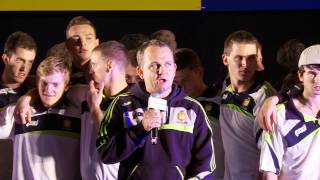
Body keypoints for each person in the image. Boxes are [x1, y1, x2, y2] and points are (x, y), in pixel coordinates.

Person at [96, 39, 215, 180]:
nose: (161, 70)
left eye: (167, 64)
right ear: (140, 71)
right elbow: (105, 153)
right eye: (154, 65)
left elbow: (206, 166)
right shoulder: (122, 104)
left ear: (174, 69)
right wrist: (139, 130)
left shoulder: (193, 109)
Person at [0, 56, 81, 179]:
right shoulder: (17, 112)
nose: (48, 89)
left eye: (55, 84)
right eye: (44, 83)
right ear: (37, 82)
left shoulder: (78, 115)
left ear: (66, 86)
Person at [220, 30, 275, 180]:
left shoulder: (264, 98)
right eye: (239, 58)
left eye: (251, 58)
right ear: (225, 59)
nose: (245, 64)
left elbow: (270, 158)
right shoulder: (225, 89)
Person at [259, 44, 320, 179]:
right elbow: (269, 172)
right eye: (312, 73)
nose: (317, 80)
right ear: (300, 75)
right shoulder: (279, 115)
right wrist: (275, 99)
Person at [174, 47, 224, 180]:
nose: (181, 88)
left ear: (199, 72)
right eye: (176, 83)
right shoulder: (172, 107)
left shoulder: (222, 103)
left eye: (185, 81)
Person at [0, 31, 37, 180]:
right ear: (6, 58)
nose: (25, 68)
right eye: (19, 60)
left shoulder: (40, 88)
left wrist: (29, 96)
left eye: (30, 62)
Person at [65, 16, 99, 84]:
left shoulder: (110, 73)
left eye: (88, 38)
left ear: (97, 43)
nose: (83, 43)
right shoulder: (63, 79)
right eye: (76, 39)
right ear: (67, 46)